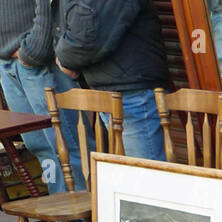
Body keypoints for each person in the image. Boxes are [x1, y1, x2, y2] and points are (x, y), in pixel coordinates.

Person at [54, 0, 168, 161]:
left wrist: (65, 59)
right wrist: (65, 57)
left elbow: (86, 41)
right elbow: (67, 26)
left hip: (131, 92)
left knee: (147, 178)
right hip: (119, 89)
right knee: (138, 176)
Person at [0, 0, 84, 192]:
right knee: (38, 145)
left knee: (67, 144)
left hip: (36, 61)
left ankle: (85, 215)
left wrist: (36, 49)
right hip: (8, 62)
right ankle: (61, 207)